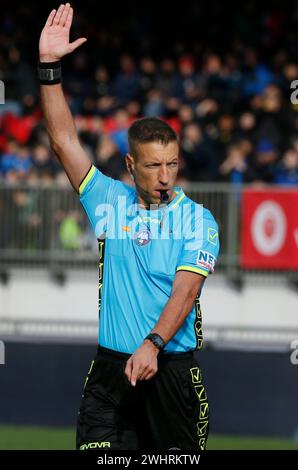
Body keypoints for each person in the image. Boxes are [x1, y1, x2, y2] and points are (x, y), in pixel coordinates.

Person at [38, 4, 220, 451]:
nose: (165, 176)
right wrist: (48, 68)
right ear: (130, 164)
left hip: (170, 373)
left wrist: (153, 344)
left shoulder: (198, 219)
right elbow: (63, 141)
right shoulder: (108, 200)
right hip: (111, 373)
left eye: (172, 164)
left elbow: (186, 292)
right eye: (154, 165)